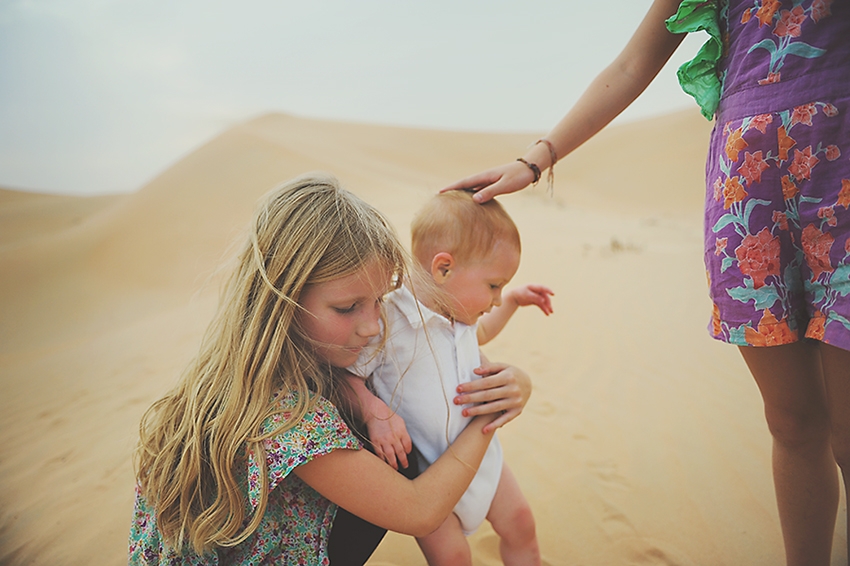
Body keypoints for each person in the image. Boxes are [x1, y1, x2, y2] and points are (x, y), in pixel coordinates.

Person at [444, 1, 850, 565]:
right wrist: (537, 160)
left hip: (841, 162)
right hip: (748, 188)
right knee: (790, 420)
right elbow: (634, 62)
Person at [127, 174, 533, 565]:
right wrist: (490, 414)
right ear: (282, 300)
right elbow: (420, 512)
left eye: (379, 300)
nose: (374, 325)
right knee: (401, 463)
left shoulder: (306, 361)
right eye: (347, 307)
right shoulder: (283, 415)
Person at [347, 190, 551, 565]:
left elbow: (482, 333)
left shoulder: (459, 314)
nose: (495, 298)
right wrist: (372, 410)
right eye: (494, 286)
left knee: (521, 523)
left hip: (483, 458)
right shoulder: (388, 321)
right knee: (453, 558)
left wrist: (512, 301)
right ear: (444, 269)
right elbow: (349, 376)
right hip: (428, 475)